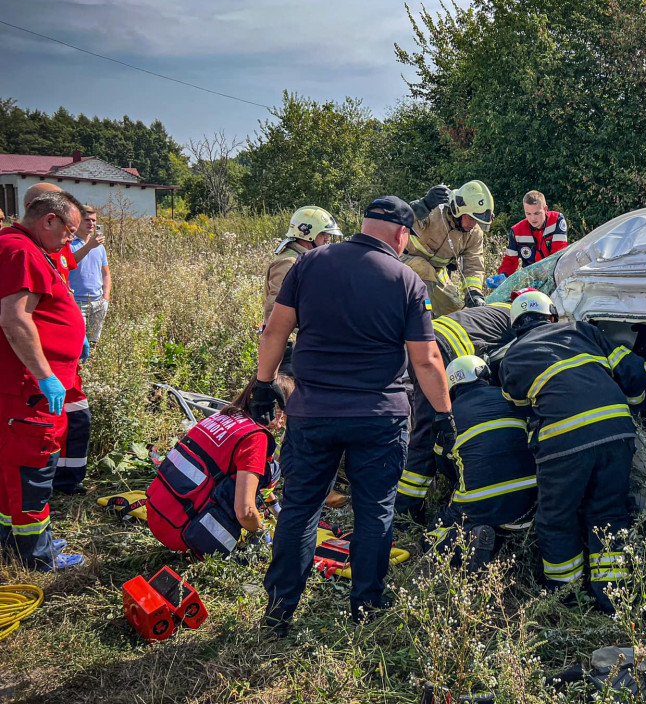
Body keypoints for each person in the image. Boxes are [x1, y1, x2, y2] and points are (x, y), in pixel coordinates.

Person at [252, 195, 457, 636]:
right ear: (402, 234)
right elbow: (425, 360)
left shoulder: (308, 264)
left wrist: (264, 384)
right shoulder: (406, 280)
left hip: (312, 413)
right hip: (379, 417)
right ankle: (366, 607)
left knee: (301, 508)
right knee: (375, 509)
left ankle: (279, 612)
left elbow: (274, 329)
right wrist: (443, 414)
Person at [499, 291, 646, 612]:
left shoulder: (513, 357)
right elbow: (632, 369)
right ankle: (613, 600)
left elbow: (519, 407)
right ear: (552, 316)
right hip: (616, 431)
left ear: (516, 327)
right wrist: (633, 410)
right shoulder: (583, 330)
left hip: (563, 442)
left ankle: (568, 600)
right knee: (609, 514)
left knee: (557, 519)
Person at [0, 189, 88, 570]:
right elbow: (15, 318)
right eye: (69, 231)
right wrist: (45, 376)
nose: (71, 239)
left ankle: (12, 539)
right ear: (48, 220)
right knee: (33, 464)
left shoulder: (26, 247)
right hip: (29, 389)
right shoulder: (20, 251)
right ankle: (35, 554)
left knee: (16, 467)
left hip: (28, 386)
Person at [146, 374, 293, 558]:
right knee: (271, 470)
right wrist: (263, 535)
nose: (286, 419)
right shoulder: (255, 437)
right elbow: (245, 511)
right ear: (273, 405)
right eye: (286, 409)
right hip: (184, 533)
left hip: (158, 514)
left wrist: (275, 508)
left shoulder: (224, 416)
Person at [395, 300, 515, 520]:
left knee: (425, 426)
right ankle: (405, 508)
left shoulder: (500, 308)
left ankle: (407, 502)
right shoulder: (527, 324)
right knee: (432, 429)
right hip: (446, 354)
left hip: (424, 341)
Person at [425, 356, 537, 569]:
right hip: (531, 495)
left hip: (479, 500)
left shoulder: (449, 416)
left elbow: (444, 465)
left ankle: (468, 543)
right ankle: (502, 535)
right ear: (485, 377)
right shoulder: (510, 399)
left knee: (433, 538)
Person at [263, 206, 343, 373]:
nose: (327, 239)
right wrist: (283, 351)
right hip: (290, 348)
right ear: (307, 234)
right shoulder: (289, 262)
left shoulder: (306, 260)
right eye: (323, 234)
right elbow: (275, 306)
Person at [403, 181, 494, 316]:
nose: (473, 224)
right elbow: (401, 220)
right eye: (470, 218)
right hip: (402, 261)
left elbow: (473, 264)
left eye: (477, 220)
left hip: (435, 272)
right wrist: (423, 205)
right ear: (459, 210)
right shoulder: (434, 211)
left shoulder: (474, 233)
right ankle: (418, 319)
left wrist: (474, 292)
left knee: (453, 310)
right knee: (423, 272)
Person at [490, 190, 568, 284]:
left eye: (537, 213)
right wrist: (503, 275)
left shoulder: (556, 220)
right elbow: (510, 261)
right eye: (528, 214)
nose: (532, 218)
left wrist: (543, 274)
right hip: (531, 280)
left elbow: (558, 253)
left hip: (558, 275)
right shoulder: (516, 231)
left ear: (545, 209)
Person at [70, 205, 111, 345]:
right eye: (87, 220)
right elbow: (70, 263)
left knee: (93, 342)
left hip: (98, 301)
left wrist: (106, 297)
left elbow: (105, 273)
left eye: (94, 221)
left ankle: (90, 365)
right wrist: (89, 246)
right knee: (78, 342)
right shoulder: (68, 243)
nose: (91, 224)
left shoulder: (100, 246)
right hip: (77, 302)